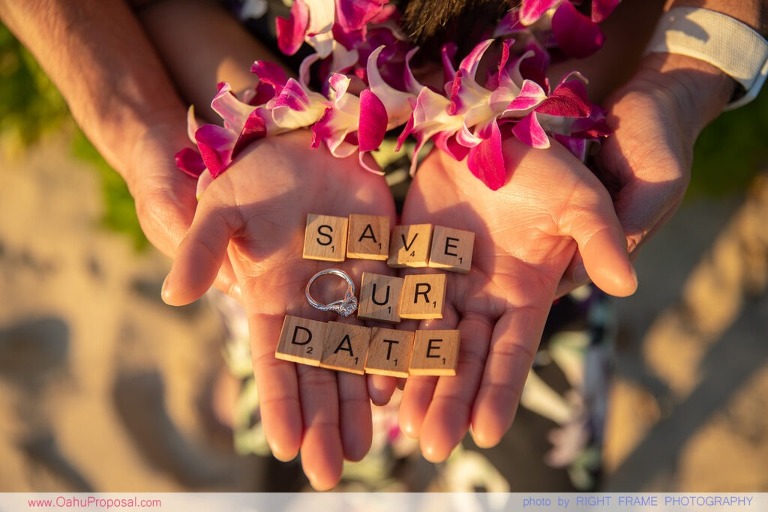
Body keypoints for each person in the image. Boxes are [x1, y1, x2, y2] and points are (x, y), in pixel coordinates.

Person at [2, 0, 765, 491]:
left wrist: (685, 78)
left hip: (531, 192)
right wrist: (136, 122)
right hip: (274, 171)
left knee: (515, 383)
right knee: (291, 358)